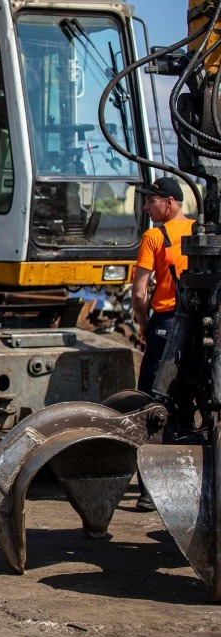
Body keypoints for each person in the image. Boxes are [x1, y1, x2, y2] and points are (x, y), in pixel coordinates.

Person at [131, 175, 193, 511]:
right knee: (187, 400)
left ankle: (148, 491)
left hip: (166, 324)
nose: (145, 206)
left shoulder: (154, 237)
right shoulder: (203, 232)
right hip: (201, 326)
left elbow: (140, 292)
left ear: (168, 203)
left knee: (151, 403)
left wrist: (143, 324)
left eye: (150, 200)